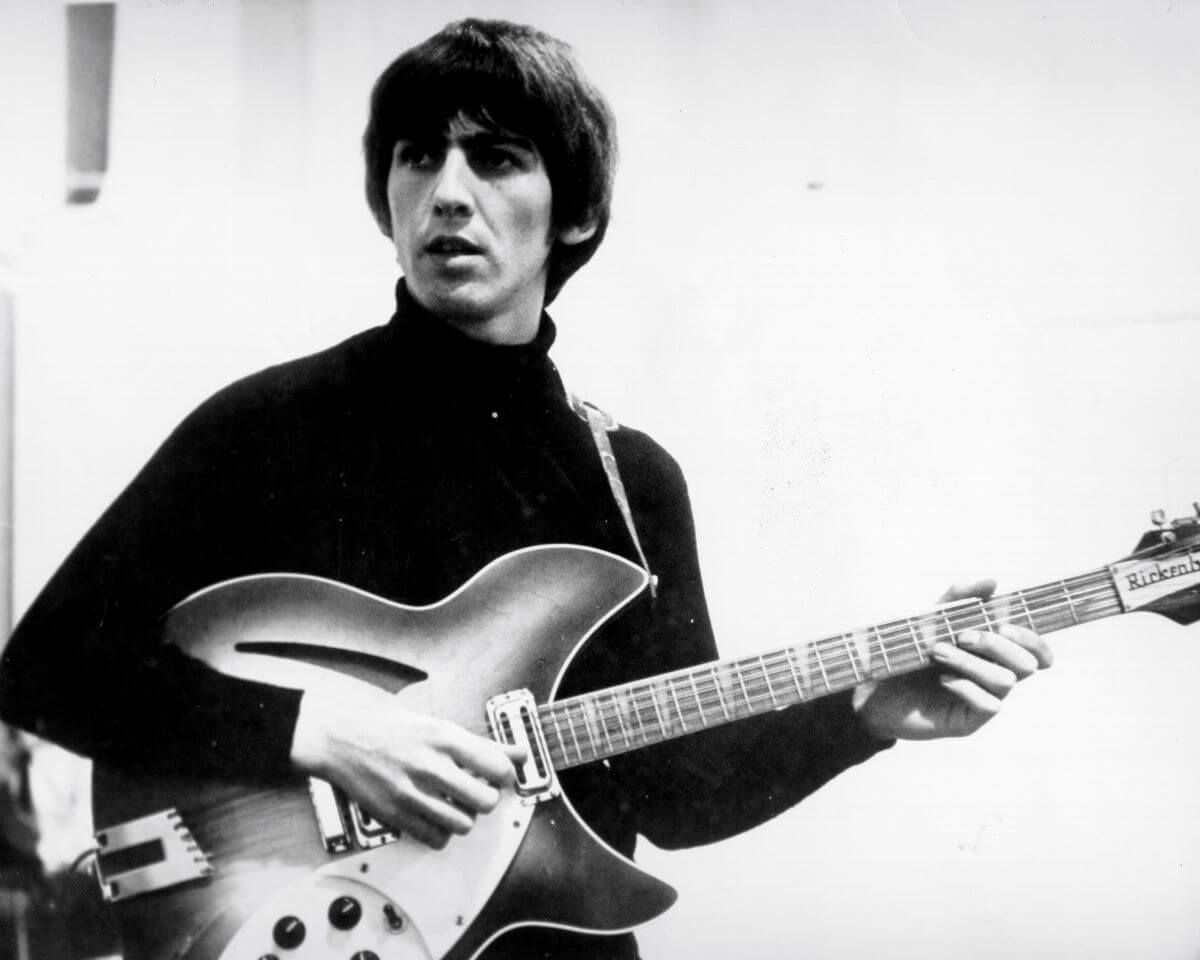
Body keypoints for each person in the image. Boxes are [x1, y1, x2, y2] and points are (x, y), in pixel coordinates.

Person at [0, 18, 1052, 960]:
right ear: (389, 201)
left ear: (575, 214)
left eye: (496, 158)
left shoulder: (629, 478)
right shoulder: (269, 425)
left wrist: (862, 716)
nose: (448, 191)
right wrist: (315, 733)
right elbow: (44, 667)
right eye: (420, 158)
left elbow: (677, 792)